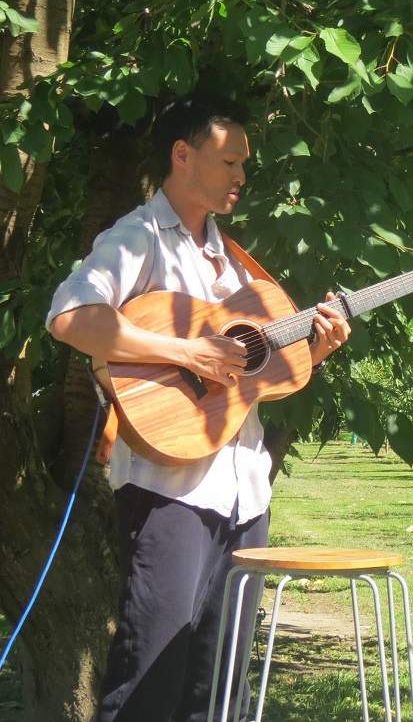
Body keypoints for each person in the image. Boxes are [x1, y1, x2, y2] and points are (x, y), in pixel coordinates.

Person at [47, 91, 352, 722]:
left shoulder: (234, 264)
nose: (242, 175)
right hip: (170, 493)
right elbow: (71, 316)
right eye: (229, 161)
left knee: (220, 689)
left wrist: (315, 349)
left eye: (245, 164)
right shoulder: (136, 239)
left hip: (244, 495)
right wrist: (186, 352)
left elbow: (253, 374)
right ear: (182, 155)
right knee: (150, 682)